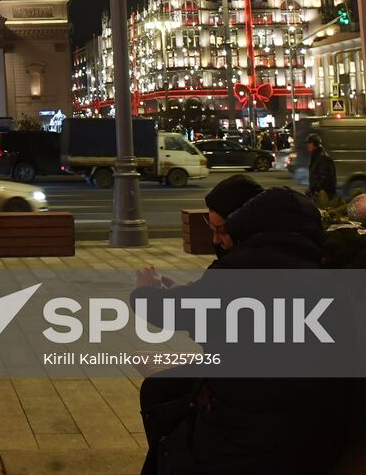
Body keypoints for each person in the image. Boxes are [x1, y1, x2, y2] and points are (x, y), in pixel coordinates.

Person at [135, 178, 343, 474]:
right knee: (165, 394)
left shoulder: (244, 268)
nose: (218, 240)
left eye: (222, 230)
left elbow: (183, 313)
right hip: (318, 427)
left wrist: (143, 292)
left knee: (169, 435)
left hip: (257, 435)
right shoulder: (319, 270)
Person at [306, 132, 336, 199]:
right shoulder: (316, 157)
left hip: (324, 196)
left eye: (309, 143)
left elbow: (324, 178)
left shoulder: (323, 158)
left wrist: (314, 189)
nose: (307, 145)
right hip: (318, 194)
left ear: (315, 144)